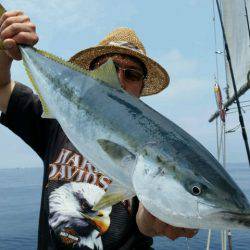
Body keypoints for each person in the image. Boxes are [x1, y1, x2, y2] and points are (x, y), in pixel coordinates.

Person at [0, 10, 198, 250]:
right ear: (91, 75)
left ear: (141, 89)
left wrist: (156, 221)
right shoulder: (58, 120)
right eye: (109, 69)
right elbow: (2, 88)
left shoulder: (156, 144)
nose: (120, 79)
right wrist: (6, 48)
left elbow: (143, 220)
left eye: (132, 74)